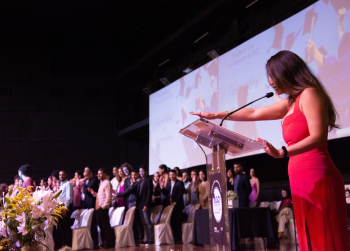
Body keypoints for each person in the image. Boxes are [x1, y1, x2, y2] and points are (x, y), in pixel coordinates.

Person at [190, 50, 349, 249]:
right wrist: (215, 115)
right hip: (300, 177)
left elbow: (317, 137)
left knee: (324, 238)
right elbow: (254, 112)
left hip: (317, 174)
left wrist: (283, 152)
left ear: (287, 72)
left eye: (273, 76)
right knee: (308, 238)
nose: (271, 82)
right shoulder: (291, 102)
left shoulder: (309, 94)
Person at [117, 165, 154, 244]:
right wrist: (117, 195)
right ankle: (147, 239)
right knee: (144, 222)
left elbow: (149, 194)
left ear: (146, 172)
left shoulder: (148, 180)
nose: (141, 173)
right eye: (140, 171)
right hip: (140, 205)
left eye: (142, 171)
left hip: (145, 205)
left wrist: (146, 205)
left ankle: (151, 239)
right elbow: (131, 189)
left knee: (147, 221)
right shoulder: (140, 181)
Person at [88, 168, 113, 249]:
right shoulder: (101, 183)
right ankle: (104, 242)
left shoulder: (107, 183)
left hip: (103, 208)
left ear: (105, 174)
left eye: (100, 173)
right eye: (98, 173)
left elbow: (109, 196)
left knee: (105, 226)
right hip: (99, 207)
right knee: (102, 226)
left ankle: (109, 243)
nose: (98, 175)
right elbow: (101, 196)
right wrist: (94, 193)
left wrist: (104, 206)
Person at [160, 169, 185, 244]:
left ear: (176, 175)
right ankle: (173, 237)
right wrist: (162, 187)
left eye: (173, 175)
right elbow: (166, 193)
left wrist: (175, 202)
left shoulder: (180, 183)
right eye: (170, 175)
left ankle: (179, 238)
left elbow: (180, 193)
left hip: (177, 205)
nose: (171, 176)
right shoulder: (168, 183)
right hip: (170, 205)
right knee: (171, 222)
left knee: (177, 222)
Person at [82, 167, 99, 246]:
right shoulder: (88, 181)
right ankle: (91, 240)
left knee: (93, 223)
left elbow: (86, 192)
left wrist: (83, 184)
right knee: (89, 223)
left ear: (90, 174)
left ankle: (95, 241)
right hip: (87, 204)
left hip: (92, 204)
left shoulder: (94, 181)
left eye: (86, 176)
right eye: (84, 176)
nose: (85, 177)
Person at [56, 170, 74, 247]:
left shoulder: (68, 184)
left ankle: (68, 245)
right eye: (60, 175)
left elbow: (68, 197)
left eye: (63, 175)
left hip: (65, 207)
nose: (61, 176)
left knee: (66, 227)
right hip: (60, 207)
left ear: (66, 175)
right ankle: (64, 244)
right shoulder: (61, 184)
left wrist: (65, 209)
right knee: (62, 227)